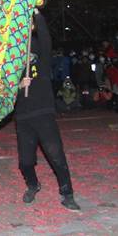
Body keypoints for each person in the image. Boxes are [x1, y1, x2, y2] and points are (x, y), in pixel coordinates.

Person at [16, 11, 80, 211]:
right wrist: (18, 85)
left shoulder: (42, 62)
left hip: (43, 113)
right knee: (25, 162)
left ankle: (67, 193)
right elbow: (4, 91)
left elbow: (44, 38)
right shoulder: (15, 67)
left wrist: (37, 15)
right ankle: (33, 185)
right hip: (23, 117)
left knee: (56, 155)